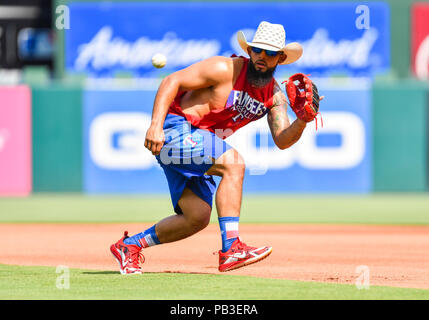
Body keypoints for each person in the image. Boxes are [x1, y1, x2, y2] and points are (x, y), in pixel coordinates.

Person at [110, 21, 319, 275]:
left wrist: (304, 120)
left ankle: (129, 246)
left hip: (201, 141)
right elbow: (171, 81)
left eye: (270, 53)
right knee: (234, 163)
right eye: (257, 50)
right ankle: (232, 248)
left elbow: (283, 140)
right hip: (177, 129)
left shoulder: (274, 97)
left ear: (281, 58)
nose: (262, 57)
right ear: (250, 50)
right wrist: (155, 125)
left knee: (196, 217)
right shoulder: (225, 68)